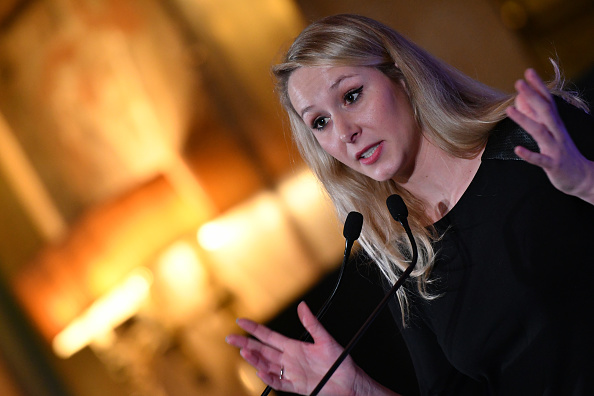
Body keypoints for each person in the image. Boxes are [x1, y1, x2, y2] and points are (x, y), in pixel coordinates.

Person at [226, 14, 594, 395]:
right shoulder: (404, 254)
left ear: (401, 76)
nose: (344, 132)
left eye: (351, 96)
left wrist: (586, 182)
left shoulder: (531, 141)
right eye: (319, 122)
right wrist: (356, 389)